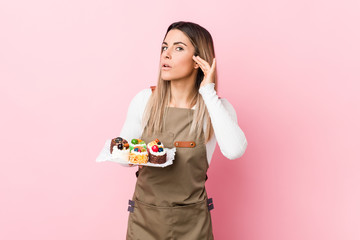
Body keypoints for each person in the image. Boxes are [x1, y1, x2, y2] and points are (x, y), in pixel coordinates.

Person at [119, 21, 248, 240]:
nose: (166, 54)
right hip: (145, 223)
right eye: (164, 47)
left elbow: (234, 150)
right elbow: (123, 156)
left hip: (193, 226)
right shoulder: (144, 100)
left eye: (178, 48)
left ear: (198, 60)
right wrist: (131, 152)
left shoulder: (216, 108)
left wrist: (208, 92)